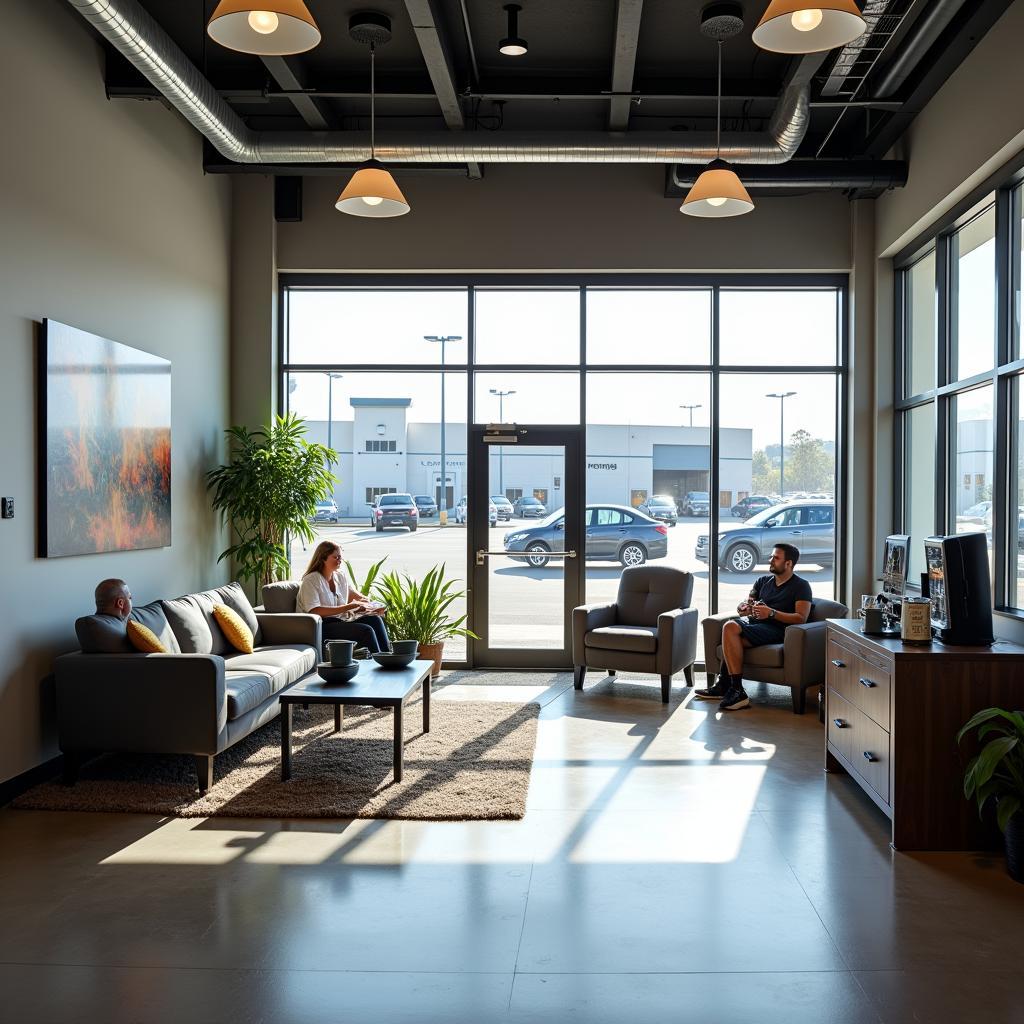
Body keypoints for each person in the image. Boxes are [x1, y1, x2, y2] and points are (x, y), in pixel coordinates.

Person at [695, 543, 812, 711]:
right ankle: (724, 686)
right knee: (732, 641)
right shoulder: (762, 581)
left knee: (729, 627)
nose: (771, 560)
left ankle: (735, 689)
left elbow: (801, 618)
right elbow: (745, 607)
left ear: (789, 563)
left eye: (776, 558)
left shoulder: (801, 586)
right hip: (757, 626)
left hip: (779, 631)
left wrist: (771, 613)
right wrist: (744, 608)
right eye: (771, 556)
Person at [296, 541, 391, 654]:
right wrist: (347, 607)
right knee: (366, 631)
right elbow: (315, 610)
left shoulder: (340, 576)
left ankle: (387, 658)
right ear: (322, 559)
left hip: (341, 621)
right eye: (335, 557)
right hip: (321, 626)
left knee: (375, 619)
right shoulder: (311, 580)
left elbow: (353, 594)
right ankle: (378, 663)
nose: (339, 560)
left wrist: (372, 606)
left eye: (340, 557)